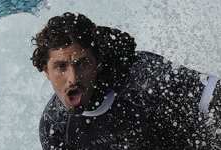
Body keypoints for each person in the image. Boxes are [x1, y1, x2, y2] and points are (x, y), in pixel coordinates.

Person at [31, 12, 221, 149]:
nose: (72, 78)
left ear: (97, 63)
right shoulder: (54, 127)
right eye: (61, 67)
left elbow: (216, 94)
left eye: (82, 64)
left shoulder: (145, 79)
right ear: (46, 70)